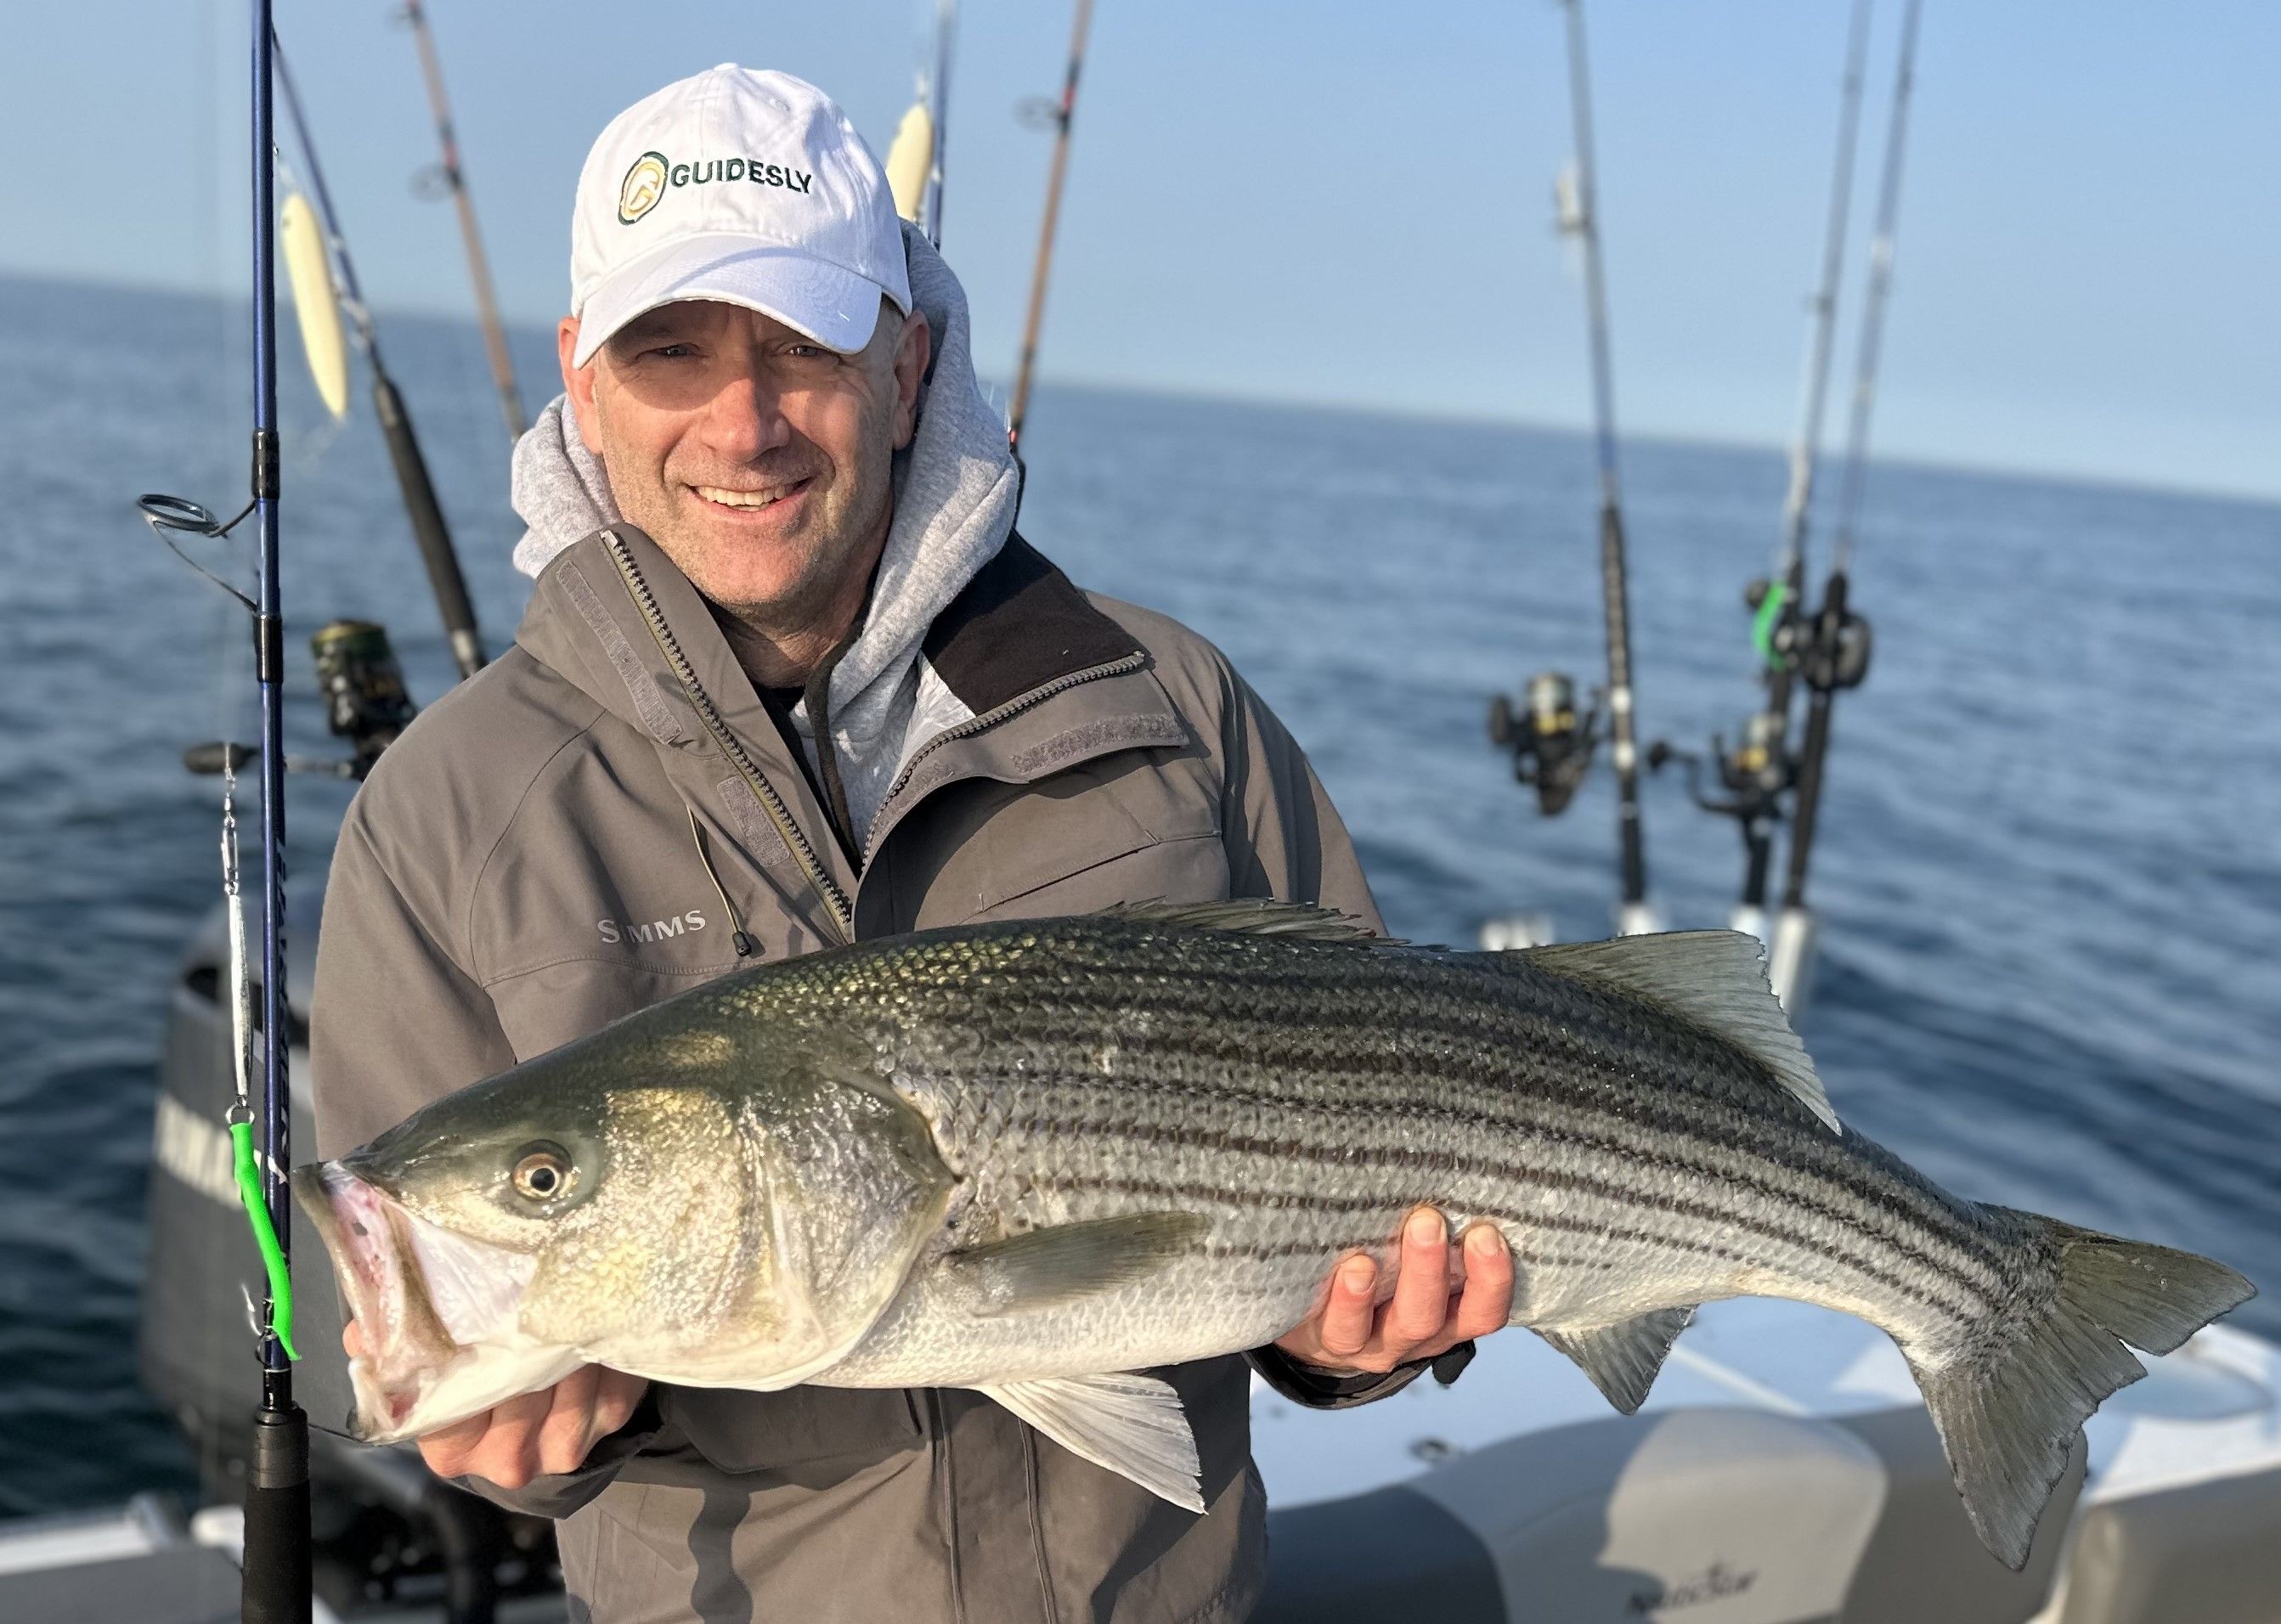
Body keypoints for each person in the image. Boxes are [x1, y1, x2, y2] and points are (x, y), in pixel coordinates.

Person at [313, 65, 1515, 1623]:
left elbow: (1384, 1122)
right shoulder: (444, 815)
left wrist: (1354, 1342)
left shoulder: (1168, 707)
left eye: (802, 345)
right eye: (668, 351)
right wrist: (517, 1439)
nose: (741, 422)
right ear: (583, 381)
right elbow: (482, 1389)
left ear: (905, 366)